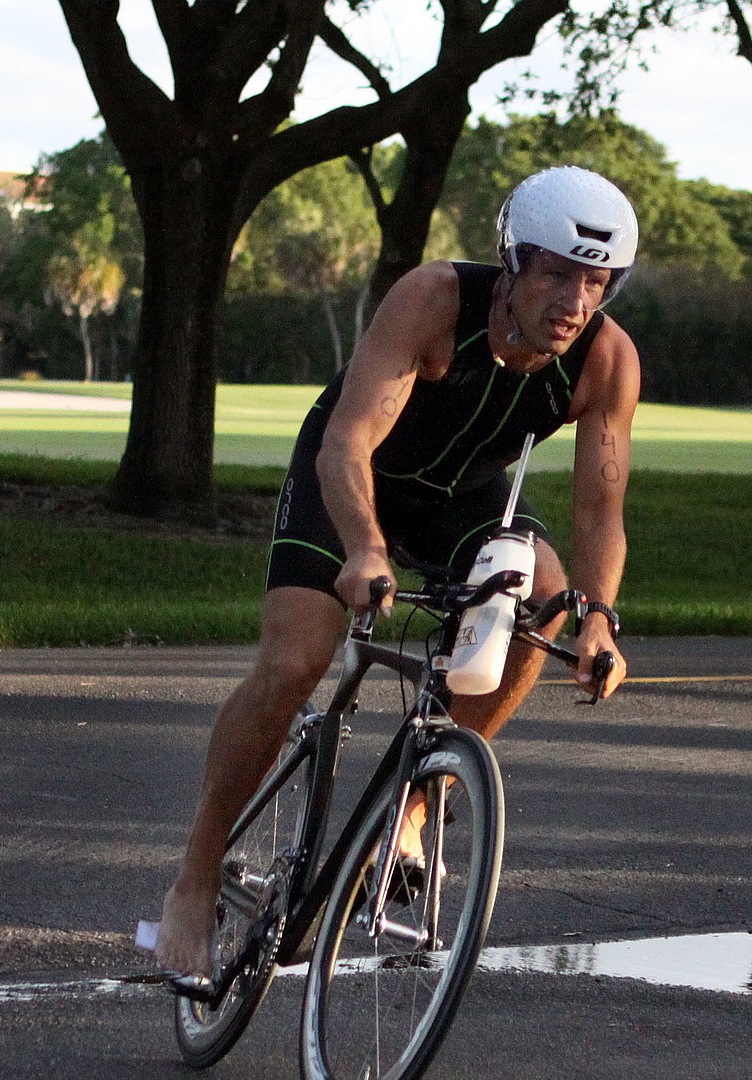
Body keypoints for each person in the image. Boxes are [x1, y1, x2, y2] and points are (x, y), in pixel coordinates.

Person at [156, 165, 641, 978]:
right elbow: (347, 442)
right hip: (353, 477)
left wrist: (598, 618)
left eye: (597, 282)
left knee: (548, 601)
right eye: (557, 273)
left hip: (465, 501)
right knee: (294, 664)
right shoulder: (434, 301)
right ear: (513, 261)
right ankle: (196, 875)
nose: (574, 302)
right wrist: (364, 548)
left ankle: (418, 803)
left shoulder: (605, 360)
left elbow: (599, 513)